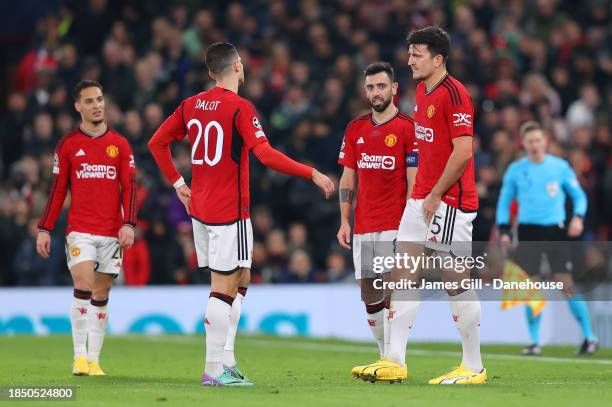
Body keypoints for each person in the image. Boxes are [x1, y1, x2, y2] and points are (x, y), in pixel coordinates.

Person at [148, 42, 334, 387]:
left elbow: (156, 142)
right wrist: (312, 173)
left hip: (202, 209)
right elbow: (264, 154)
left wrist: (178, 184)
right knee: (223, 287)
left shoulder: (191, 105)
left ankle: (227, 360)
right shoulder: (240, 108)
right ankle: (213, 369)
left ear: (209, 72)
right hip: (227, 211)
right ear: (238, 68)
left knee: (242, 279)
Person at [364, 26, 487, 384]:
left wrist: (434, 194)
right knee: (402, 272)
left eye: (417, 54)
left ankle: (474, 365)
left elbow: (464, 150)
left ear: (438, 59)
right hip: (422, 200)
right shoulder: (421, 90)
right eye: (410, 53)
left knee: (455, 279)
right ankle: (395, 360)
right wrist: (420, 194)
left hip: (449, 200)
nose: (410, 59)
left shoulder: (455, 94)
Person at [37, 79, 137, 376]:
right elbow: (57, 191)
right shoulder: (68, 145)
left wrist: (128, 224)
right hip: (80, 229)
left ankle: (94, 359)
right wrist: (45, 228)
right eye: (90, 101)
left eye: (100, 99)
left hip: (111, 231)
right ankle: (79, 357)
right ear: (78, 106)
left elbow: (130, 187)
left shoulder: (119, 145)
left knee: (102, 291)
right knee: (83, 283)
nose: (97, 105)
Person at [336, 62, 417, 381]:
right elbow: (347, 177)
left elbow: (413, 181)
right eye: (370, 87)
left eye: (381, 86)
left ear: (394, 89)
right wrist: (344, 220)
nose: (375, 92)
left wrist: (411, 224)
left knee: (396, 289)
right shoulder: (355, 129)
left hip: (396, 224)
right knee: (369, 293)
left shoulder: (408, 128)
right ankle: (385, 356)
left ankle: (396, 359)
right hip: (364, 225)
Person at [496, 121, 597, 356]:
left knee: (566, 284)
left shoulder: (559, 167)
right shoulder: (516, 170)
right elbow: (504, 202)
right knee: (529, 288)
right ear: (523, 143)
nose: (534, 145)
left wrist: (578, 218)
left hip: (555, 231)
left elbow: (579, 196)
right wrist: (503, 230)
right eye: (530, 141)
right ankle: (534, 341)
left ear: (545, 142)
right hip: (529, 232)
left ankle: (589, 337)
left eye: (538, 140)